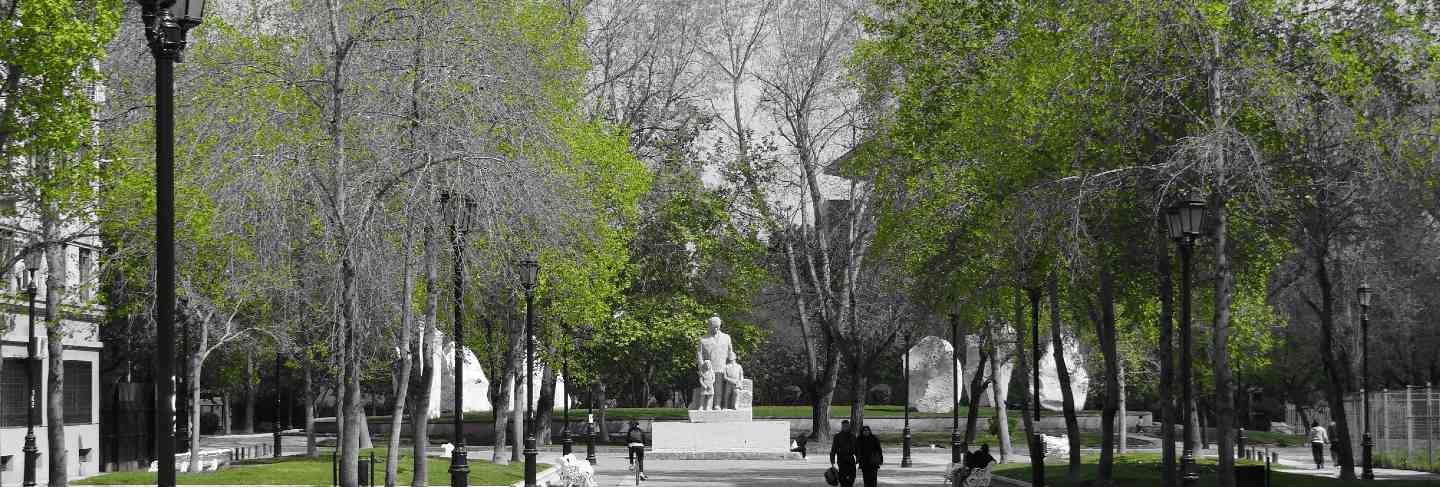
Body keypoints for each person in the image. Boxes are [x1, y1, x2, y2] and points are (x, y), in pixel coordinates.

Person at [830, 420, 857, 487]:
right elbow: (833, 450)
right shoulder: (837, 436)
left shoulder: (853, 436)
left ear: (849, 426)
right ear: (842, 427)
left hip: (851, 459)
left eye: (847, 426)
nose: (845, 427)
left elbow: (857, 450)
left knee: (852, 477)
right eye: (844, 426)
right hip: (841, 459)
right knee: (842, 479)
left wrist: (858, 460)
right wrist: (833, 462)